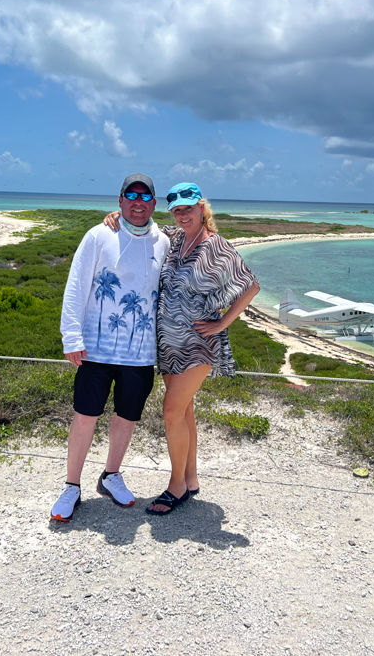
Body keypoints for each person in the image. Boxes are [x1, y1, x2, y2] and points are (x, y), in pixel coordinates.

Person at [106, 182, 259, 515]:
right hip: (168, 344)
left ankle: (175, 485)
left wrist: (222, 323)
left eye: (188, 208)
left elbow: (251, 286)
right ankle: (190, 479)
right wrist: (117, 216)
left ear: (201, 208)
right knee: (185, 411)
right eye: (177, 210)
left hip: (199, 344)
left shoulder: (216, 246)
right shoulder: (174, 240)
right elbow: (141, 228)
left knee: (172, 411)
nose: (182, 215)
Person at [51, 173, 172, 522]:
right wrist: (71, 338)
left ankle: (111, 475)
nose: (138, 202)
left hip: (140, 354)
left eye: (145, 197)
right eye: (130, 196)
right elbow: (76, 286)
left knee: (126, 417)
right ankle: (72, 486)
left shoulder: (163, 240)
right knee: (85, 417)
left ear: (153, 203)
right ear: (119, 202)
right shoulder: (99, 234)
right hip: (95, 351)